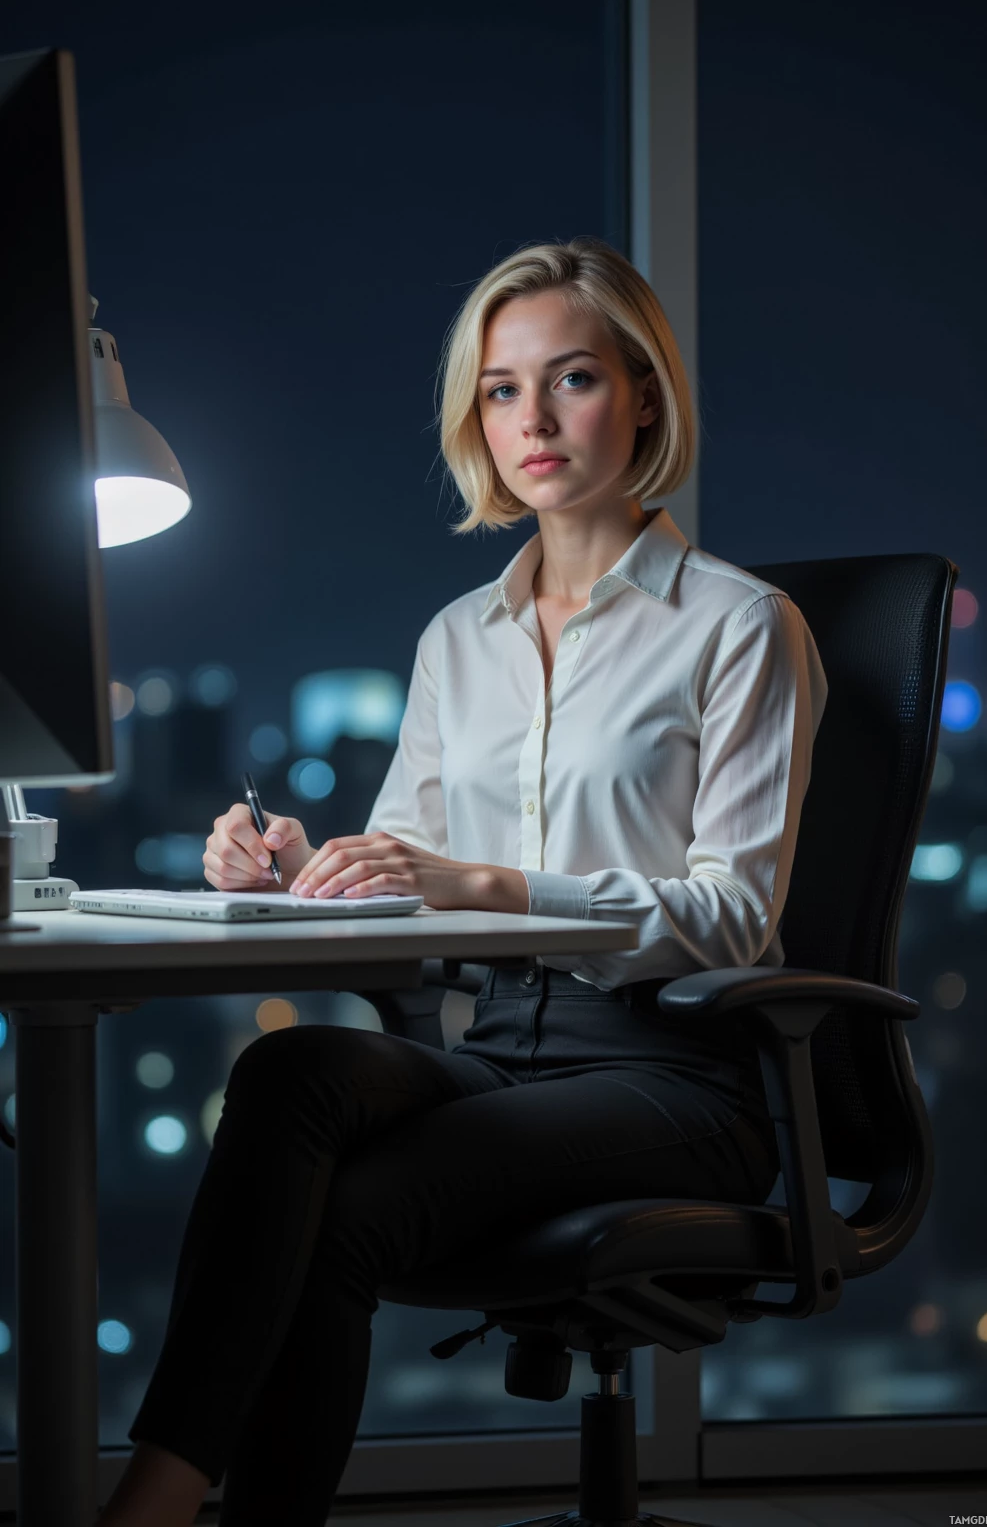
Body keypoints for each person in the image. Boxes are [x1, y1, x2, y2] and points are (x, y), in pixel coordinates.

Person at [96, 236, 828, 1527]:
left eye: (573, 380)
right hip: (497, 1047)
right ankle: (174, 1498)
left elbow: (735, 916)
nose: (532, 421)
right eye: (500, 389)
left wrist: (485, 881)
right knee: (288, 1075)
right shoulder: (456, 639)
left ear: (643, 394)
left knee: (346, 1216)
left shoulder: (738, 625)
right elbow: (404, 886)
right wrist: (295, 872)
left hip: (676, 1074)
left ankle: (163, 1503)